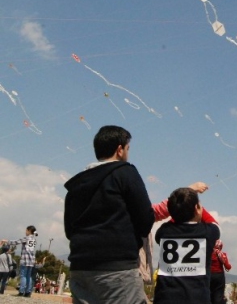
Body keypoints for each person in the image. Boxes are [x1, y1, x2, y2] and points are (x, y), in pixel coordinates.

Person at [64, 125, 155, 304]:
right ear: (120, 149)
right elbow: (145, 219)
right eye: (128, 148)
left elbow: (69, 229)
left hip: (80, 267)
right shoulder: (124, 172)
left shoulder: (77, 182)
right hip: (117, 268)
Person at [153, 187, 220, 304]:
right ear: (197, 208)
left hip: (165, 298)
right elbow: (215, 224)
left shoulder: (163, 232)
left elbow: (169, 225)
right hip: (197, 299)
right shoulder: (209, 232)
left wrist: (178, 210)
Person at [1, 225, 38, 297]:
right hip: (31, 260)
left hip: (25, 259)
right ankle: (28, 292)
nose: (25, 232)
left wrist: (6, 241)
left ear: (29, 231)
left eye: (26, 230)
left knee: (23, 276)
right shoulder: (34, 239)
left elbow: (16, 242)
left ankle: (21, 291)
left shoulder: (27, 238)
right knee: (28, 276)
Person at [210, 239, 232, 304]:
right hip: (219, 276)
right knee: (218, 295)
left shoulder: (208, 254)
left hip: (209, 276)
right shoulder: (222, 254)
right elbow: (228, 267)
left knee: (209, 294)